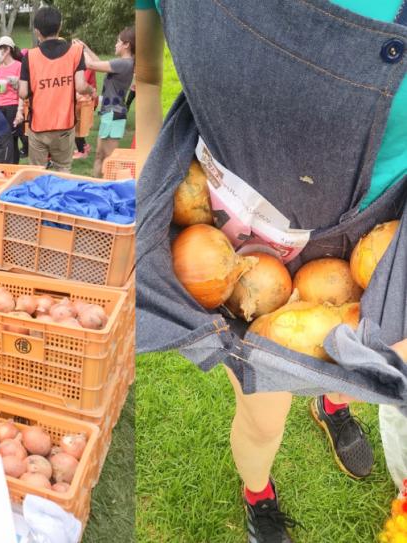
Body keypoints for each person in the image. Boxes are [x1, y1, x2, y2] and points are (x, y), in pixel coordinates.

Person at [136, 1, 407, 542]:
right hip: (239, 244)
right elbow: (146, 73)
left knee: (351, 342)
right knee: (262, 418)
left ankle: (332, 400)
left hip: (377, 233)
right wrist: (153, 189)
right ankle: (258, 492)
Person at [19, 6, 92, 172]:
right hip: (64, 125)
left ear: (37, 32)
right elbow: (81, 86)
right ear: (60, 27)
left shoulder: (30, 57)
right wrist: (90, 91)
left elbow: (23, 92)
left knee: (37, 172)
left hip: (38, 126)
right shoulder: (75, 52)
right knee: (63, 169)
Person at [75, 27, 135, 177]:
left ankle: (124, 184)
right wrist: (85, 47)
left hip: (114, 114)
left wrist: (78, 50)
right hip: (110, 114)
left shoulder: (124, 63)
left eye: (118, 42)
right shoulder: (123, 63)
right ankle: (97, 183)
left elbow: (90, 65)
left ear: (126, 45)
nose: (116, 45)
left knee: (109, 159)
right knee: (100, 156)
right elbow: (98, 62)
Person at [0, 35, 25, 164]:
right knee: (1, 139)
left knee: (12, 139)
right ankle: (3, 166)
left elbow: (22, 91)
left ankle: (13, 167)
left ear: (7, 50)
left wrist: (19, 111)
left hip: (13, 106)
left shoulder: (19, 66)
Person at [73, 67, 97, 160]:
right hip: (82, 100)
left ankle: (82, 151)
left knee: (78, 128)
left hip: (83, 101)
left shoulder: (84, 68)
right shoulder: (83, 66)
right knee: (78, 127)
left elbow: (82, 85)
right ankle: (84, 147)